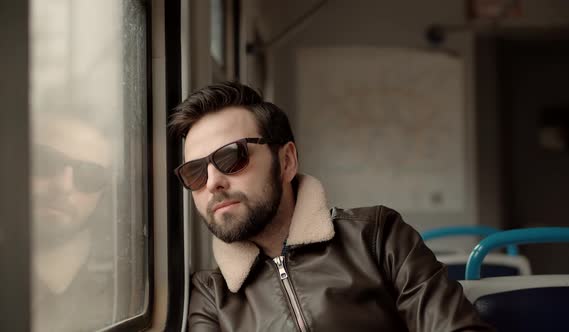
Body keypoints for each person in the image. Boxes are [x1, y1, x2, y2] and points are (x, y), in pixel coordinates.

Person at [169, 81, 494, 332]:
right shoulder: (208, 296)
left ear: (286, 161)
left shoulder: (377, 236)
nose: (212, 182)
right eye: (194, 172)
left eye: (231, 157)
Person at [31, 113, 115, 332]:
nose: (64, 186)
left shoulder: (125, 281)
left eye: (89, 175)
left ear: (103, 194)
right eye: (46, 162)